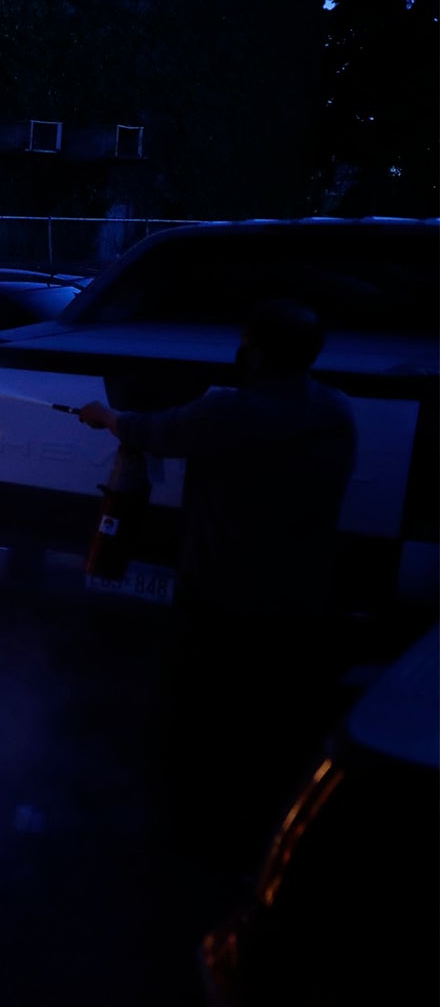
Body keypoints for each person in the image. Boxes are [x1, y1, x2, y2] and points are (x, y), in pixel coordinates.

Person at [77, 299, 357, 869]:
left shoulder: (230, 412)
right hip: (302, 596)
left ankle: (182, 836)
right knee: (272, 716)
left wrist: (103, 417)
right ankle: (264, 822)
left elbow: (150, 430)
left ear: (254, 351)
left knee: (197, 710)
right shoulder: (337, 411)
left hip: (223, 595)